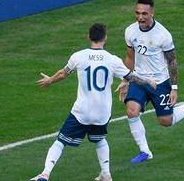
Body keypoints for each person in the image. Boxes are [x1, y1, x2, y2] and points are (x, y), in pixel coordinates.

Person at [30, 23, 156, 181]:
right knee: (99, 139)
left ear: (89, 37)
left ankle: (45, 174)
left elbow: (63, 73)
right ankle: (106, 174)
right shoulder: (112, 60)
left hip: (82, 111)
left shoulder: (78, 56)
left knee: (60, 141)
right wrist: (148, 81)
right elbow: (131, 77)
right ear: (105, 38)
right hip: (103, 113)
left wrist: (50, 80)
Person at [117, 0, 184, 164]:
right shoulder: (130, 31)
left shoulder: (163, 35)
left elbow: (172, 60)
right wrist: (126, 79)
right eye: (137, 13)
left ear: (152, 12)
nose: (140, 17)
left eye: (144, 13)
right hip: (139, 80)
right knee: (131, 111)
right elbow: (130, 56)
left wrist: (174, 87)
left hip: (160, 82)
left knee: (166, 121)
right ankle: (145, 151)